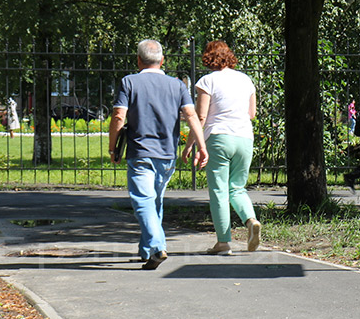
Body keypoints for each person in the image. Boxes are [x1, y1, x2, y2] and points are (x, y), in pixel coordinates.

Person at [109, 39, 209, 270]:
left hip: (140, 152)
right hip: (166, 154)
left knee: (143, 201)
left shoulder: (129, 82)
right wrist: (201, 147)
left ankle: (157, 247)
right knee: (155, 201)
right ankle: (146, 250)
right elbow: (192, 116)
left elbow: (117, 117)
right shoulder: (177, 85)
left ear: (138, 60)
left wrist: (113, 147)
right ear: (162, 60)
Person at [184, 40, 261, 255]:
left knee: (219, 191)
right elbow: (252, 113)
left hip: (219, 138)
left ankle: (223, 242)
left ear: (208, 58)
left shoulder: (207, 81)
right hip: (244, 137)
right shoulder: (246, 80)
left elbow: (201, 116)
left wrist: (190, 144)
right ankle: (251, 220)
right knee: (237, 188)